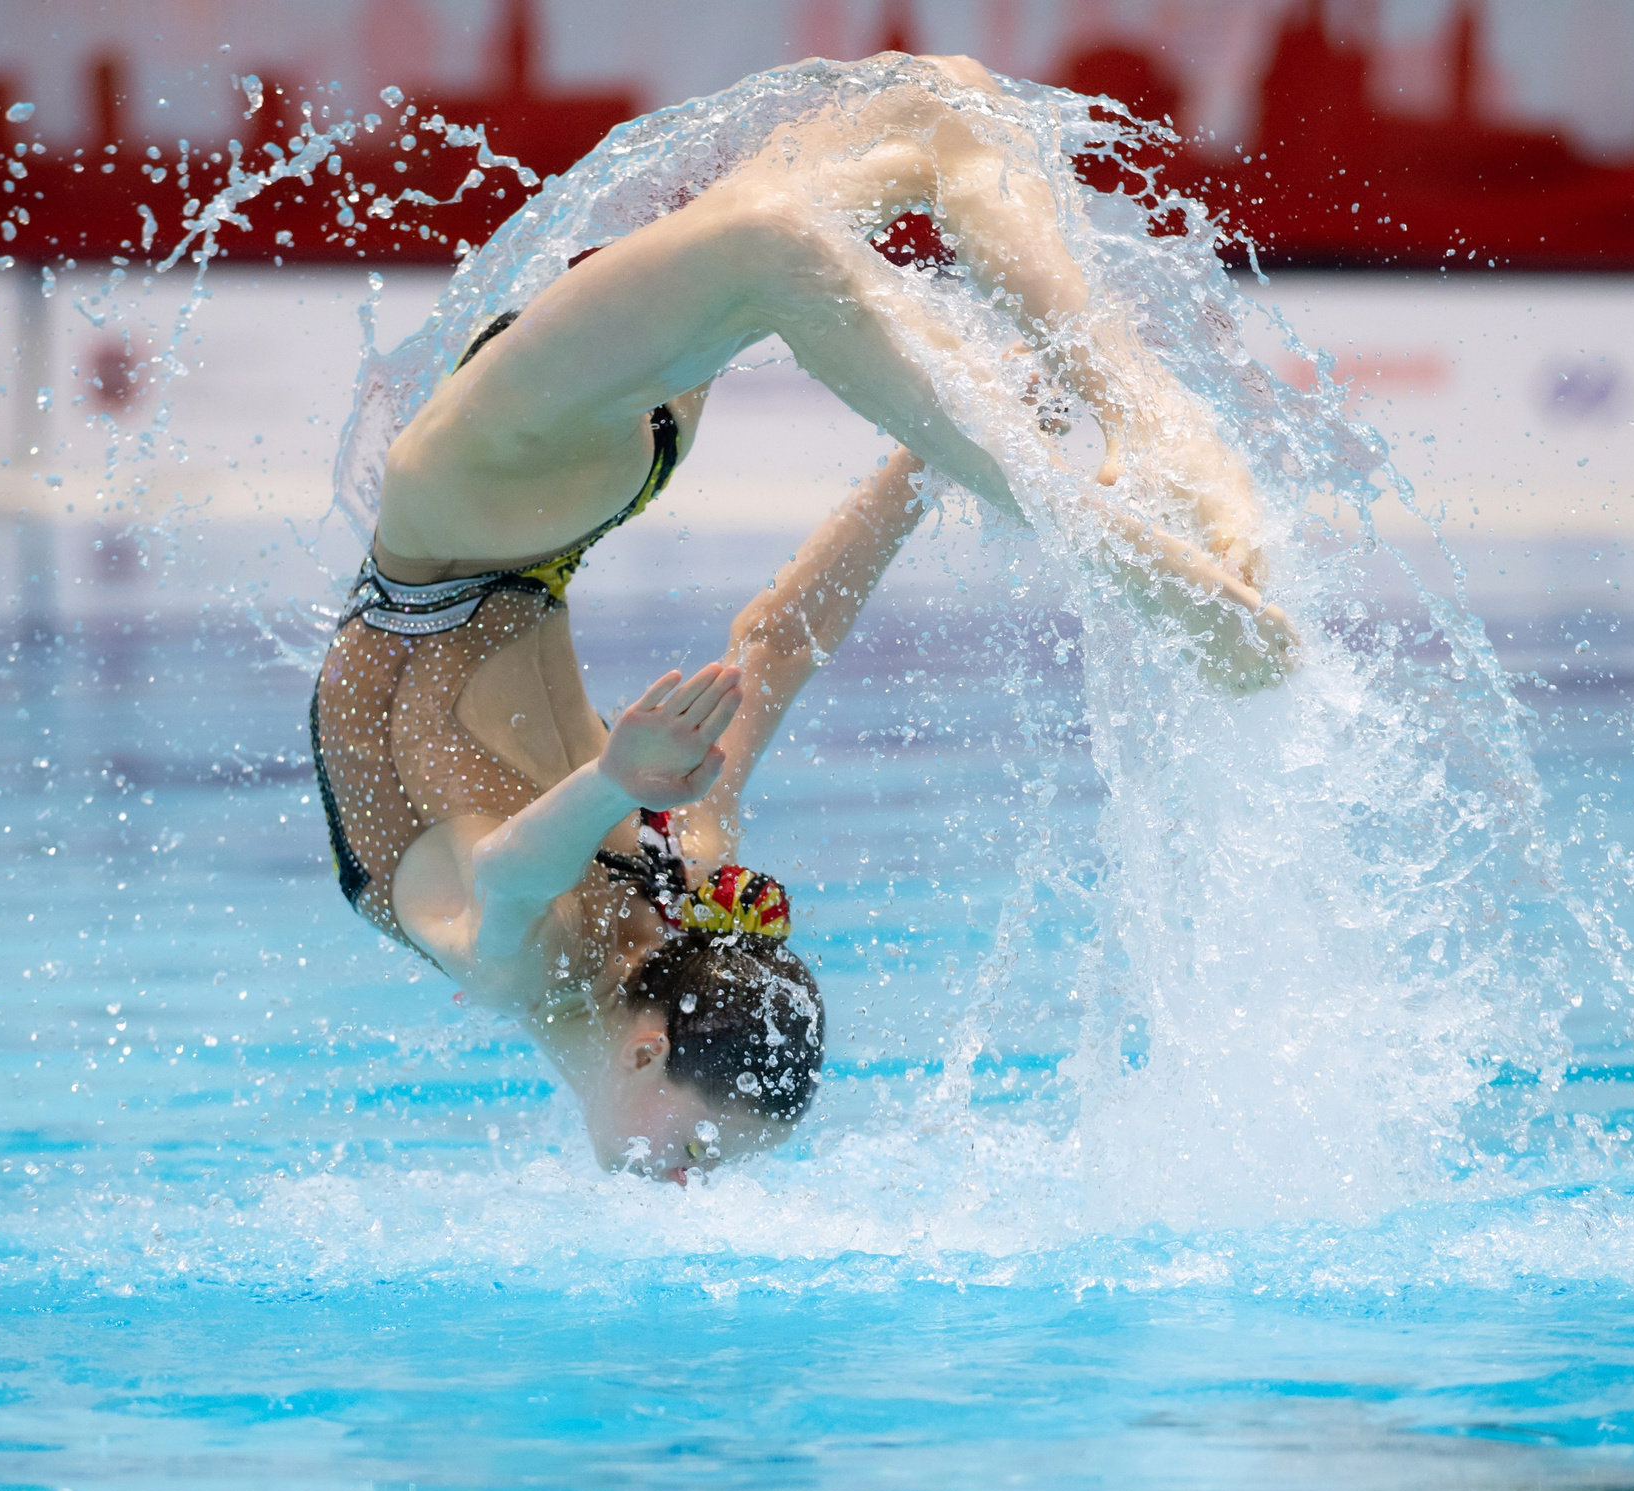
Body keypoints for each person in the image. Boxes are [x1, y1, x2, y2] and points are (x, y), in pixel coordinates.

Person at [311, 53, 1292, 1180]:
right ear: (647, 1050)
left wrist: (612, 783)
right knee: (911, 127)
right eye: (705, 1153)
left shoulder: (612, 903)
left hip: (520, 504)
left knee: (910, 131)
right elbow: (767, 653)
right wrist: (922, 464)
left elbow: (521, 864)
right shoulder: (651, 872)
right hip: (494, 501)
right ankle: (1128, 463)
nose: (687, 1183)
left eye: (704, 1155)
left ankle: (1117, 446)